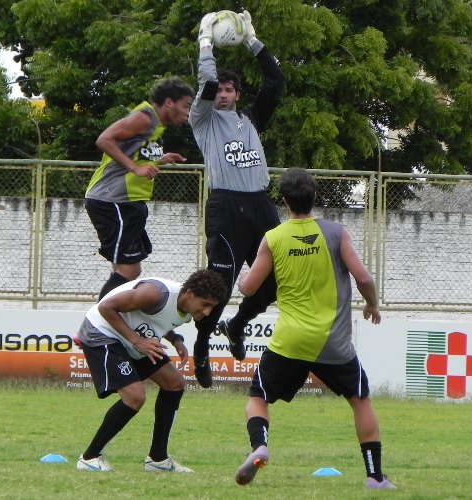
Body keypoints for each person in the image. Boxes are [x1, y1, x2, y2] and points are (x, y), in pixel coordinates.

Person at [234, 168, 396, 489]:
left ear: (283, 201)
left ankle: (260, 446)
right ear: (315, 197)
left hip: (289, 341)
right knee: (359, 399)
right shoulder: (336, 232)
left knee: (258, 396)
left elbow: (249, 288)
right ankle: (375, 476)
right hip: (333, 342)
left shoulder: (274, 237)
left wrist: (241, 275)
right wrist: (372, 305)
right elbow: (363, 278)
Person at [188, 10, 284, 388]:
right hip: (226, 207)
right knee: (220, 283)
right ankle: (201, 349)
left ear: (238, 95)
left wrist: (251, 40)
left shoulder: (251, 120)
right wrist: (206, 40)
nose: (223, 94)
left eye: (230, 90)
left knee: (276, 282)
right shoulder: (204, 118)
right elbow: (207, 82)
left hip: (260, 206)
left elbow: (276, 80)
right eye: (220, 90)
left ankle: (238, 324)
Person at [74, 268, 228, 473]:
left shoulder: (187, 312)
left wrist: (175, 340)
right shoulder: (155, 293)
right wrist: (138, 341)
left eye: (212, 307)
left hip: (133, 340)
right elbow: (106, 307)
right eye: (205, 304)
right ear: (189, 293)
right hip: (101, 333)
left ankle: (158, 460)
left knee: (174, 384)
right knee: (135, 396)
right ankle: (89, 457)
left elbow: (157, 319)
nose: (207, 312)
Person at [86, 76, 195, 300]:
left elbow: (134, 151)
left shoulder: (156, 125)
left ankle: (107, 325)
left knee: (129, 270)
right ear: (169, 103)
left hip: (127, 203)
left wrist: (160, 158)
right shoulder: (144, 118)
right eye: (185, 106)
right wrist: (135, 168)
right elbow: (104, 139)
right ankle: (97, 325)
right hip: (112, 201)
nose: (187, 113)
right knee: (128, 271)